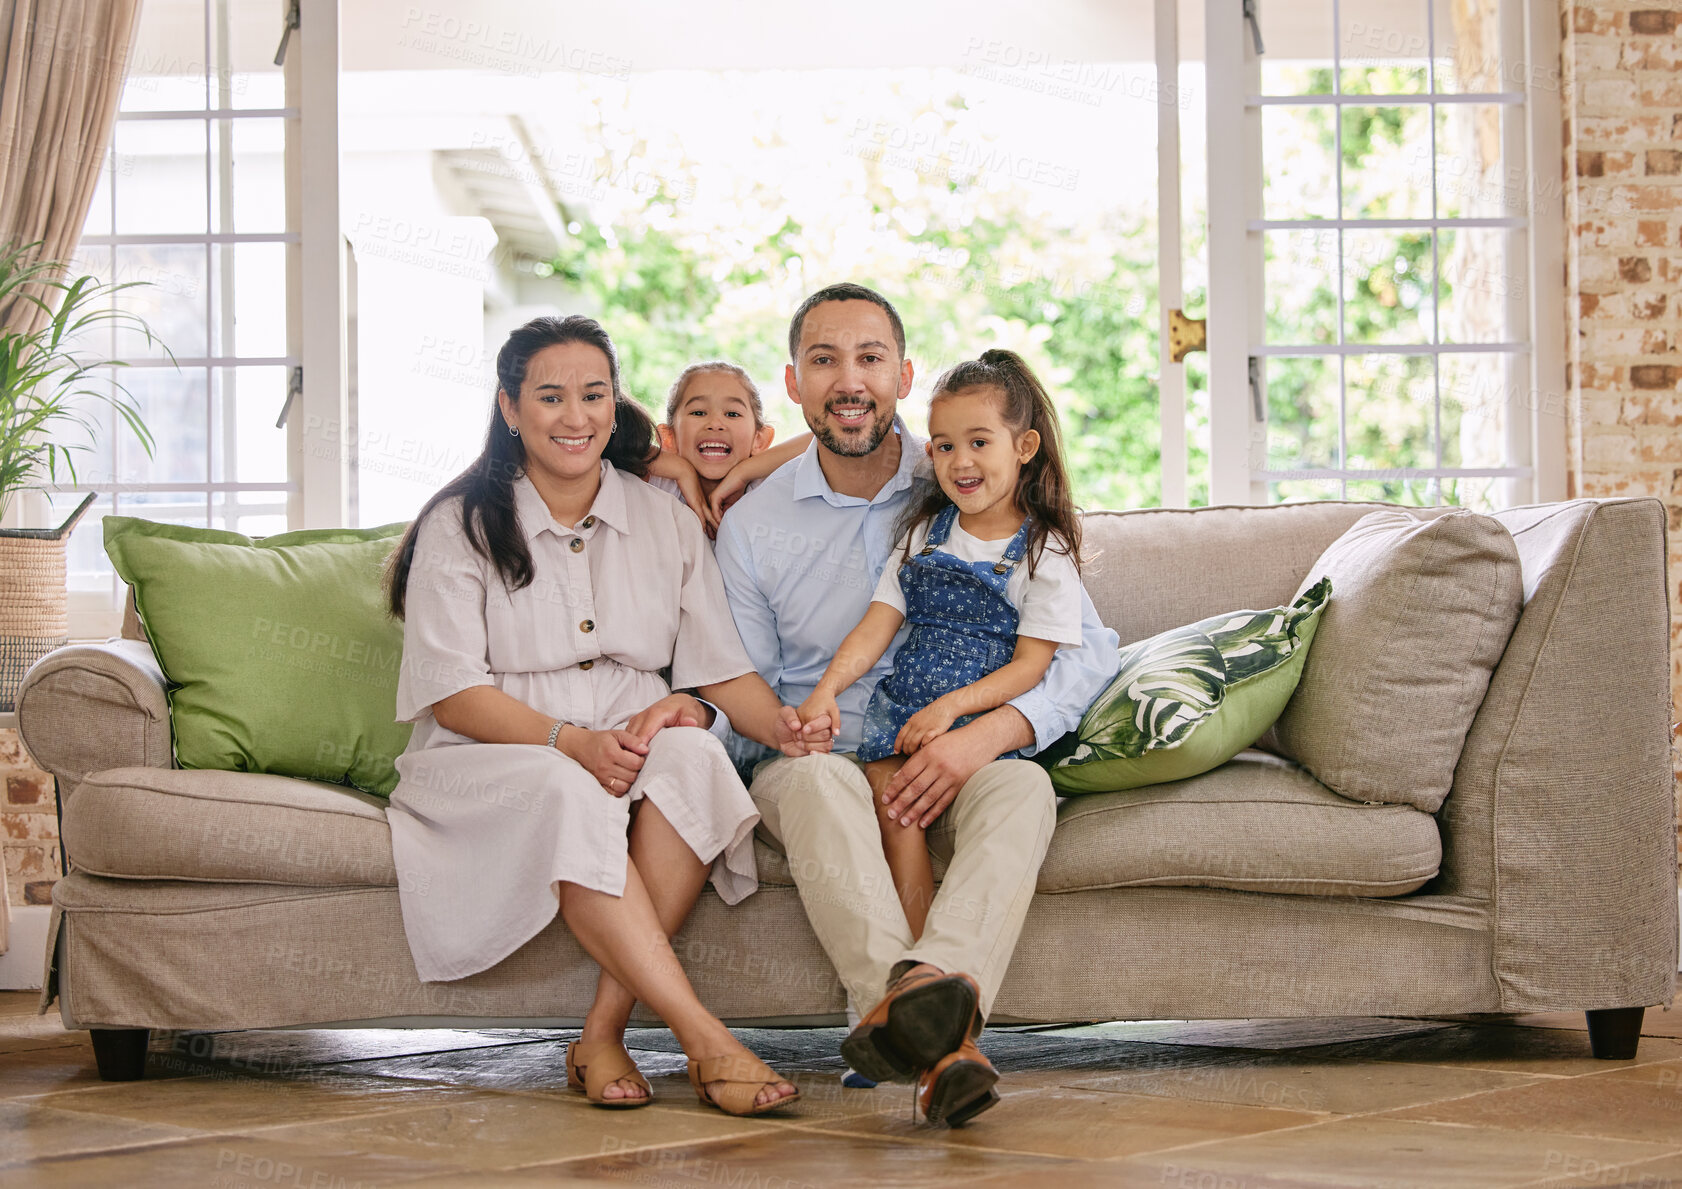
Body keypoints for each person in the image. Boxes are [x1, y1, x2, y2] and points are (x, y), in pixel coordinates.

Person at [384, 314, 821, 1117]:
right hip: (496, 747)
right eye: (550, 397)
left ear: (616, 402)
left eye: (594, 394)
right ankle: (705, 1038)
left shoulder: (664, 516)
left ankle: (601, 1031)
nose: (576, 416)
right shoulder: (461, 522)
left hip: (627, 734)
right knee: (566, 787)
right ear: (510, 407)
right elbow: (452, 689)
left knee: (695, 759)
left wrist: (787, 725)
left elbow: (718, 667)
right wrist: (570, 741)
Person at [713, 283, 1120, 1126]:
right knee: (822, 782)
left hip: (959, 739)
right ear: (794, 383)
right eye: (824, 359)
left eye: (869, 358)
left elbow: (1090, 652)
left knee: (1023, 788)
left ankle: (912, 1019)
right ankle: (937, 1039)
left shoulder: (959, 482)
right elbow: (739, 680)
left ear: (902, 374)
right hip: (816, 755)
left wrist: (990, 736)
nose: (848, 379)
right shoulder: (753, 524)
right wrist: (786, 726)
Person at [797, 349, 1086, 943]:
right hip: (900, 717)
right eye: (944, 445)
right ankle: (917, 966)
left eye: (980, 442)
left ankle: (931, 971)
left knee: (971, 809)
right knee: (895, 811)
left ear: (1024, 448)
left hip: (974, 725)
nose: (960, 461)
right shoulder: (925, 533)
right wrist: (827, 689)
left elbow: (1033, 665)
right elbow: (878, 624)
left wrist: (954, 709)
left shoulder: (1043, 552)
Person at [643, 361, 810, 536]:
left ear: (759, 439)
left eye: (732, 414)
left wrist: (744, 472)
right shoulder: (659, 485)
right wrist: (681, 470)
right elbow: (614, 444)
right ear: (669, 437)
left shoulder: (767, 488)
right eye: (698, 412)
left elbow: (829, 440)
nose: (715, 424)